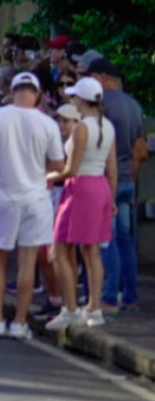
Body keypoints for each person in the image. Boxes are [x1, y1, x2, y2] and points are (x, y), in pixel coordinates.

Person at [0, 72, 66, 340]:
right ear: (37, 94)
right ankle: (20, 322)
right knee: (27, 261)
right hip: (36, 198)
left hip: (3, 198)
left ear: (12, 92)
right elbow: (59, 165)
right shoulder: (47, 123)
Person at [43, 78, 115, 330]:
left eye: (75, 96)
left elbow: (71, 170)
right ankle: (94, 309)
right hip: (100, 186)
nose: (72, 99)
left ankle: (71, 309)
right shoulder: (107, 125)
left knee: (58, 249)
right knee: (91, 251)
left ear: (82, 100)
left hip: (80, 188)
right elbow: (112, 168)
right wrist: (111, 198)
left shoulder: (82, 128)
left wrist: (47, 176)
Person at [85, 58, 145, 313]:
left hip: (107, 180)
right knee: (125, 241)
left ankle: (108, 297)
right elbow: (139, 150)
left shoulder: (103, 105)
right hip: (128, 180)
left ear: (101, 77)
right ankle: (129, 296)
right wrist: (133, 183)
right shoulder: (134, 105)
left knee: (105, 241)